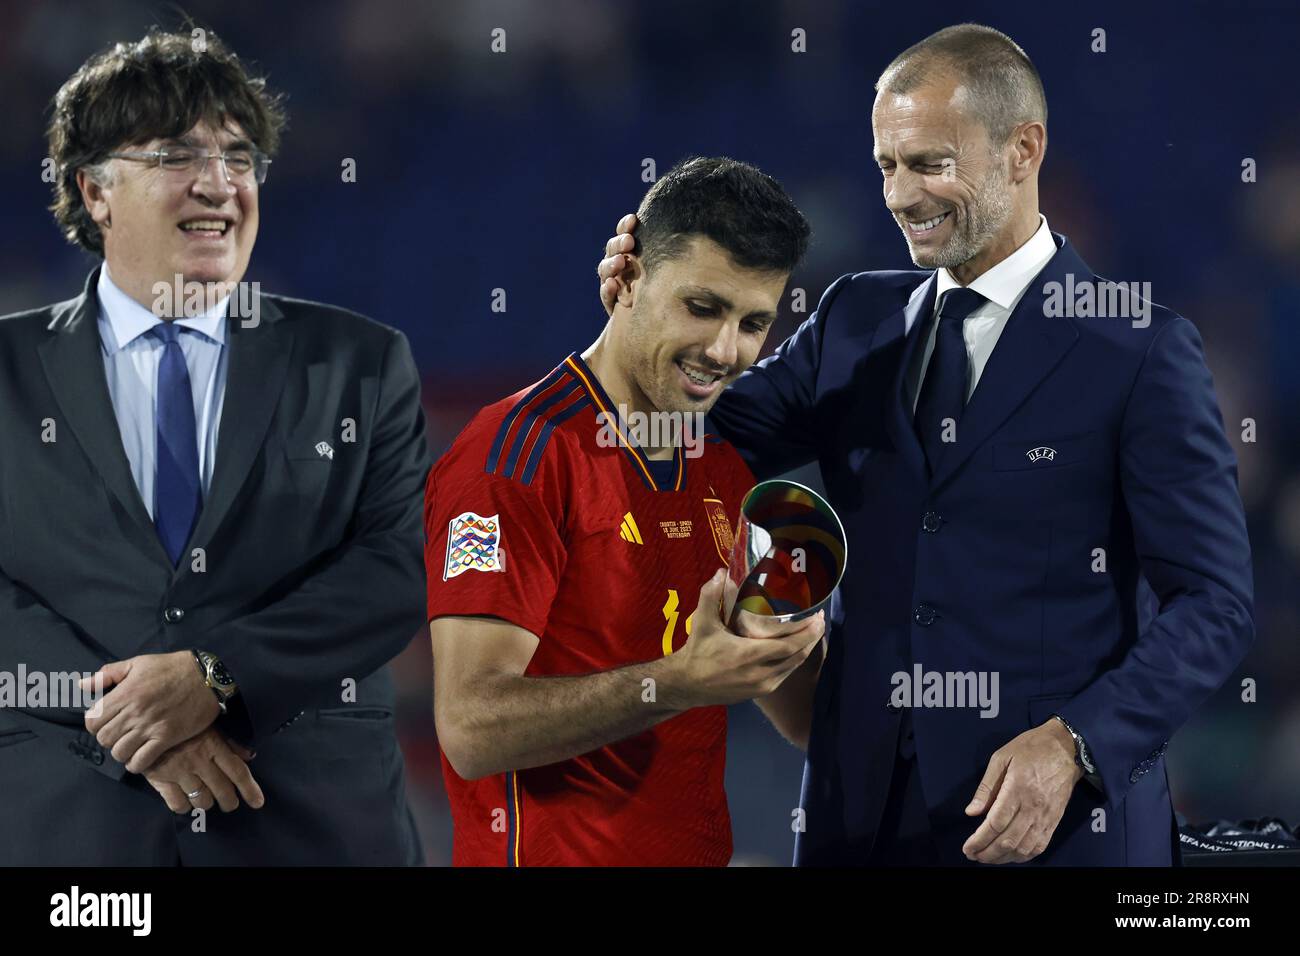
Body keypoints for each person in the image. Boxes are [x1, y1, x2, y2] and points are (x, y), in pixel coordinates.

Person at [596, 24, 1253, 865]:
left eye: (929, 164)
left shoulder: (1140, 351)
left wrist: (1076, 744)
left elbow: (1215, 604)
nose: (902, 195)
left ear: (1023, 150)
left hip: (1049, 831)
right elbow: (686, 454)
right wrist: (638, 332)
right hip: (855, 822)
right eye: (886, 166)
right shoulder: (855, 318)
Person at [0, 28, 428, 865]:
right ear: (95, 191)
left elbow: (400, 562)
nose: (220, 184)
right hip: (74, 836)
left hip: (310, 827)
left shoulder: (361, 363)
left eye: (240, 157)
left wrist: (219, 676)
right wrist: (141, 719)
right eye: (176, 155)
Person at [425, 157, 823, 865]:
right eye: (701, 308)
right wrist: (675, 682)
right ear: (629, 277)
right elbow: (470, 728)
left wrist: (795, 626)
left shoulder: (723, 471)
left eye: (753, 322)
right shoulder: (515, 456)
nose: (723, 351)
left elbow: (802, 717)